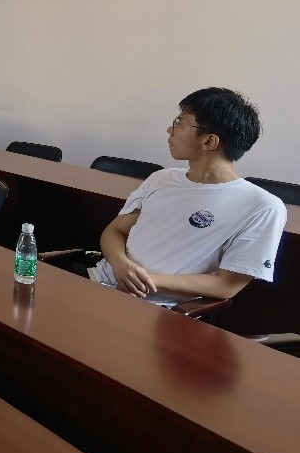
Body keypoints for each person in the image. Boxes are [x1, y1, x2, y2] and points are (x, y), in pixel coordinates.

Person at [93, 87, 286, 301]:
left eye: (180, 123)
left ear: (209, 141)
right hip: (96, 280)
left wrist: (142, 279)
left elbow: (227, 285)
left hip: (153, 306)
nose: (170, 130)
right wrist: (121, 265)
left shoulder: (262, 207)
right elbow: (115, 231)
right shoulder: (161, 178)